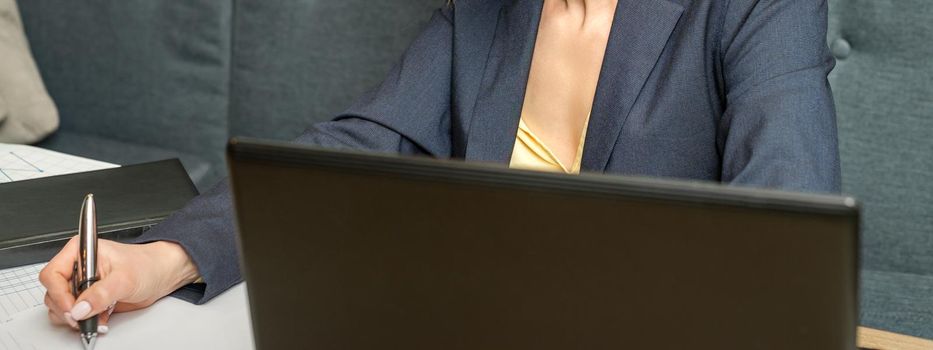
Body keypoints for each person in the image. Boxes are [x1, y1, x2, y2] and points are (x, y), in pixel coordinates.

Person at [40, 0, 840, 334]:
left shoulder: (759, 7)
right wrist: (160, 257)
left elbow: (787, 233)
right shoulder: (486, 9)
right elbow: (355, 147)